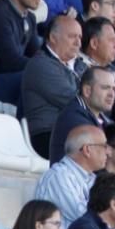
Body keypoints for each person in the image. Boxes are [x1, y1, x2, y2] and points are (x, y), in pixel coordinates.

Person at [22, 16, 85, 157]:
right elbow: (73, 100)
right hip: (47, 135)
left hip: (73, 132)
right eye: (72, 37)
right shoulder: (41, 65)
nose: (78, 43)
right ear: (53, 37)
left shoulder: (79, 65)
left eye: (80, 37)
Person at [34, 125, 108, 229]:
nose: (108, 152)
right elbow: (83, 216)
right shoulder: (59, 176)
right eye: (104, 146)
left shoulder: (93, 179)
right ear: (87, 150)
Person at [47, 66, 115, 164]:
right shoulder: (74, 119)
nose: (112, 94)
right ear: (87, 91)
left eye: (113, 89)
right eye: (105, 88)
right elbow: (98, 162)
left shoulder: (104, 120)